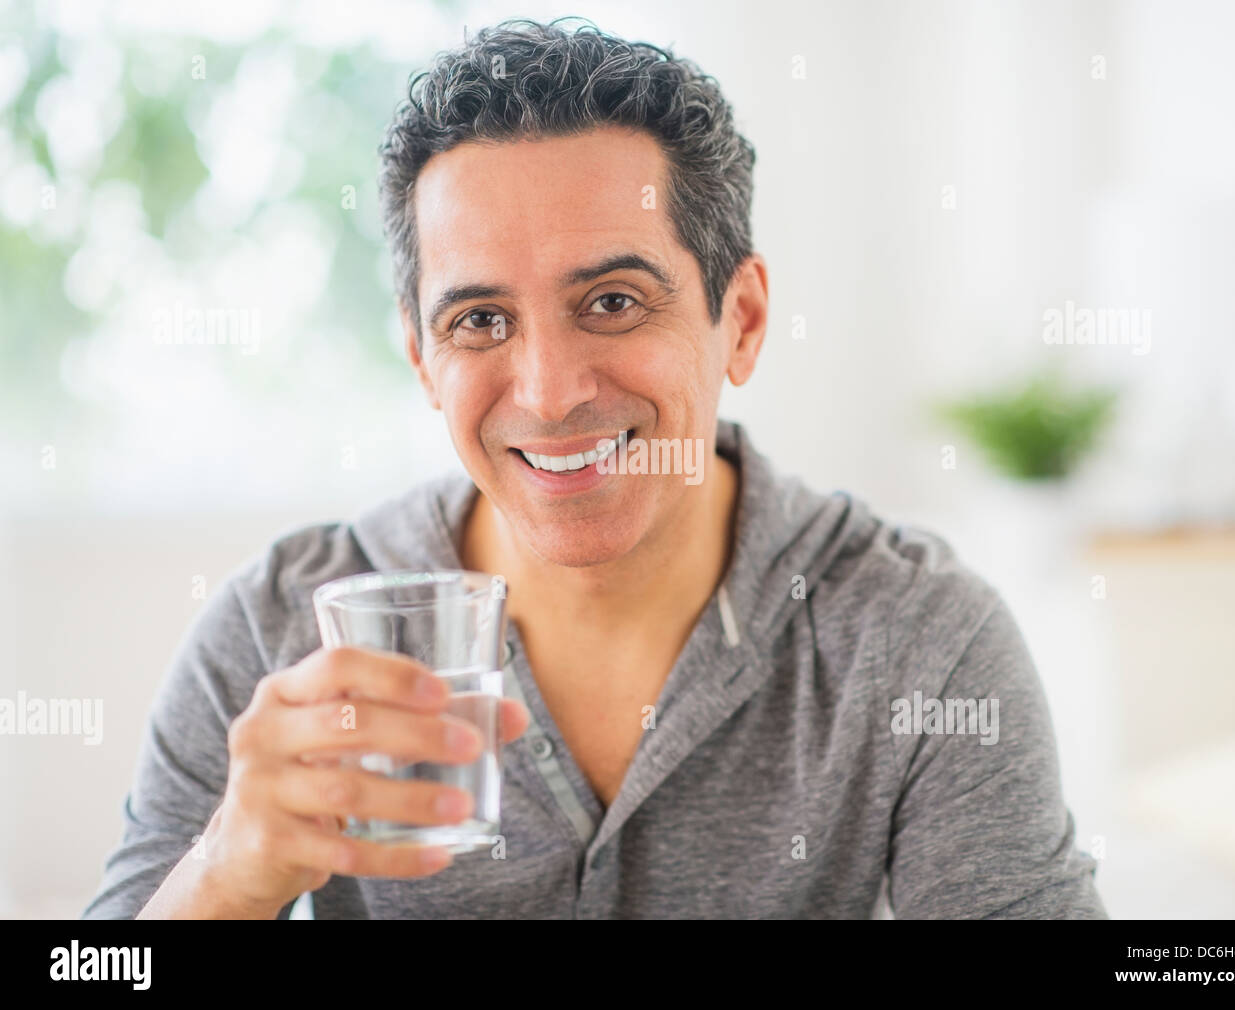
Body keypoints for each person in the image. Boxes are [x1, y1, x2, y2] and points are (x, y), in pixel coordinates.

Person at [82, 16, 1105, 919]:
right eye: (481, 320)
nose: (550, 389)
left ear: (737, 320)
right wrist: (225, 871)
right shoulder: (279, 632)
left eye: (612, 300)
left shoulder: (919, 640)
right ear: (423, 362)